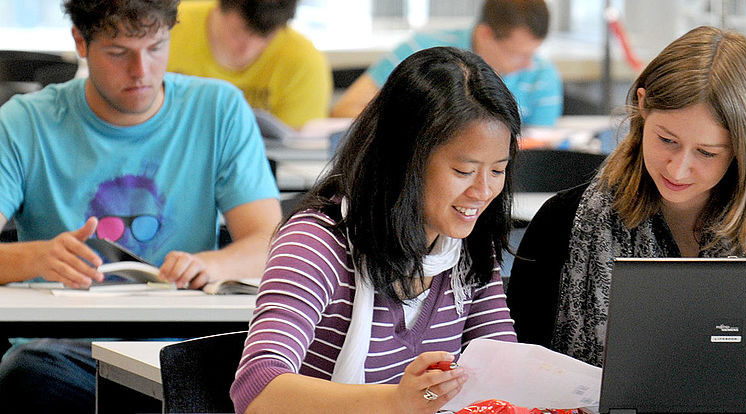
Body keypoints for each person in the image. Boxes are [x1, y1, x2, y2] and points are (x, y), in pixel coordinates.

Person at [0, 0, 282, 411]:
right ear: (80, 41)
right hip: (66, 353)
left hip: (181, 353)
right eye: (118, 52)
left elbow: (268, 245)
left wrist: (213, 265)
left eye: (156, 47)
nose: (142, 71)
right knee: (28, 373)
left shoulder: (218, 109)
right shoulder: (25, 121)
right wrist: (34, 258)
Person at [506, 26, 746, 366]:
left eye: (707, 153)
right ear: (642, 105)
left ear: (743, 149)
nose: (678, 169)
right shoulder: (561, 221)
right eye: (667, 140)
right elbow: (521, 367)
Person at [231, 46, 520, 413]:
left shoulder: (467, 243)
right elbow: (258, 392)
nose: (482, 192)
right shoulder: (317, 243)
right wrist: (396, 401)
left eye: (498, 171)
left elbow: (506, 374)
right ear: (405, 159)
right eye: (463, 171)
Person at [330, 0, 562, 127]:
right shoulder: (422, 52)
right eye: (517, 53)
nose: (529, 64)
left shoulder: (543, 74)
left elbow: (537, 147)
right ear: (485, 35)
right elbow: (344, 110)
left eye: (533, 52)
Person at [168, 0, 331, 130]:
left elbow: (297, 148)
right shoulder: (170, 27)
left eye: (264, 37)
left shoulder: (304, 60)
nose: (247, 49)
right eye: (237, 33)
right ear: (219, 9)